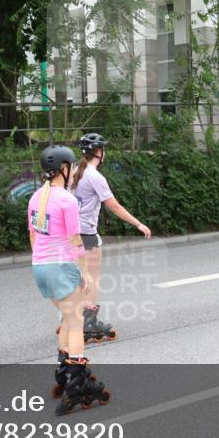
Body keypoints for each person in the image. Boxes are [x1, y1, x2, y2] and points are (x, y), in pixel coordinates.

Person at [28, 145, 110, 415]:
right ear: (63, 169)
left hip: (40, 266)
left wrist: (43, 260)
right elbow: (76, 240)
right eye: (73, 166)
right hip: (61, 266)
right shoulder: (66, 200)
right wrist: (85, 271)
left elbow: (33, 236)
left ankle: (64, 374)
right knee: (76, 321)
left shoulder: (36, 197)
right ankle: (76, 386)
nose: (75, 170)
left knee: (66, 317)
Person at [69, 132, 151, 344]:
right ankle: (88, 323)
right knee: (92, 279)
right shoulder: (96, 177)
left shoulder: (76, 171)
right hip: (86, 234)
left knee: (80, 278)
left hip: (70, 234)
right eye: (103, 149)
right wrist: (138, 224)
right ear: (98, 152)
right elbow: (113, 206)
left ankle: (74, 318)